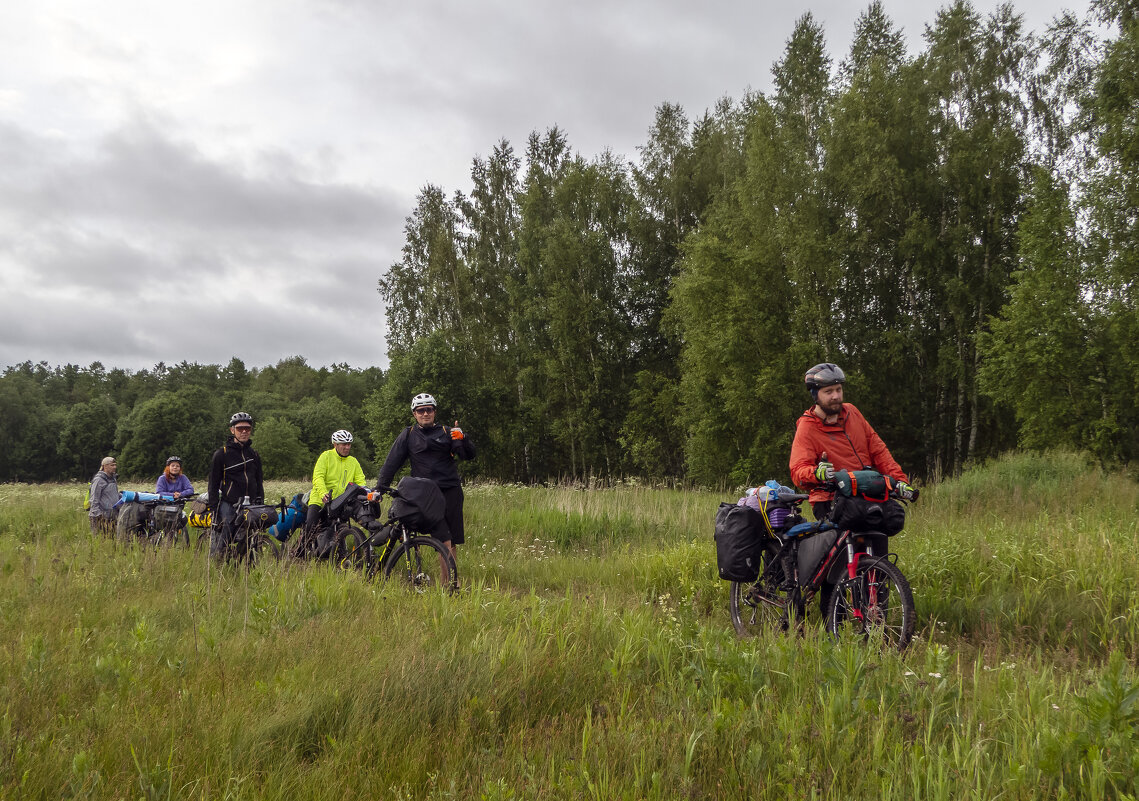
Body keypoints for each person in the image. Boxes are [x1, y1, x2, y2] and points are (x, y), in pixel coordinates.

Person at [788, 362, 915, 611]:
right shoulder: (807, 426)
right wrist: (817, 473)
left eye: (838, 389)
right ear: (815, 394)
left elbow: (878, 450)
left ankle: (875, 616)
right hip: (830, 499)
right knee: (835, 564)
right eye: (828, 391)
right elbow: (797, 470)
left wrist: (900, 481)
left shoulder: (853, 413)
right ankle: (832, 620)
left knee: (877, 555)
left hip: (866, 495)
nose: (836, 395)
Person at [377, 392, 475, 561]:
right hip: (425, 495)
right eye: (420, 411)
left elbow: (468, 455)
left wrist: (464, 438)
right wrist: (380, 487)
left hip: (450, 491)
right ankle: (446, 583)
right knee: (441, 538)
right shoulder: (408, 434)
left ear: (434, 411)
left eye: (429, 409)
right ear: (414, 414)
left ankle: (451, 583)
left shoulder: (447, 432)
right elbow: (392, 462)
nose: (425, 414)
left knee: (450, 540)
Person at [207, 411, 265, 561]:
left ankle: (247, 564)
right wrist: (214, 509)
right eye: (240, 428)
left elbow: (259, 481)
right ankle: (216, 565)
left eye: (247, 428)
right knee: (224, 535)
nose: (244, 431)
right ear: (232, 430)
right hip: (229, 502)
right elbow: (213, 484)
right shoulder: (222, 454)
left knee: (251, 536)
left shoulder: (254, 454)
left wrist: (260, 502)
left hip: (250, 504)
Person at [303, 429, 367, 538]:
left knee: (338, 531)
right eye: (344, 444)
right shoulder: (326, 456)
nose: (347, 447)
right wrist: (323, 493)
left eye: (349, 444)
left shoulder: (353, 462)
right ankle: (303, 553)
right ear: (335, 444)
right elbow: (318, 477)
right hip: (320, 500)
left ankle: (337, 551)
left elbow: (360, 481)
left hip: (340, 503)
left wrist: (365, 493)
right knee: (310, 527)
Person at [88, 456, 119, 534]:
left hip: (112, 516)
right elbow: (94, 499)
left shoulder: (113, 479)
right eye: (112, 465)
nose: (115, 467)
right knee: (100, 541)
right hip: (100, 517)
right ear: (105, 466)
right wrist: (99, 516)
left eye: (115, 465)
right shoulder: (98, 480)